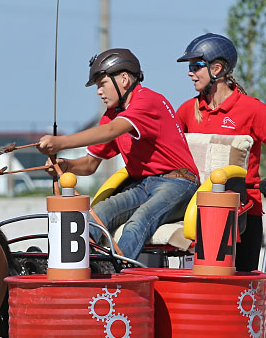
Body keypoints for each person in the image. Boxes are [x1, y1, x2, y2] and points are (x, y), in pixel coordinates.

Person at [38, 48, 200, 260]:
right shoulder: (113, 115)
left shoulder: (147, 101)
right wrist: (65, 165)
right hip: (143, 185)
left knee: (138, 221)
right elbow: (89, 164)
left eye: (102, 84)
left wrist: (60, 142)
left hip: (179, 183)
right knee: (98, 214)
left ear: (124, 79)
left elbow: (111, 131)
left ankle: (119, 273)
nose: (99, 92)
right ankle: (78, 265)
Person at [175, 33, 266, 271]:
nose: (190, 73)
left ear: (217, 68)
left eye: (195, 66)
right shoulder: (187, 110)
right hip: (199, 212)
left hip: (245, 213)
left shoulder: (250, 108)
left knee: (241, 288)